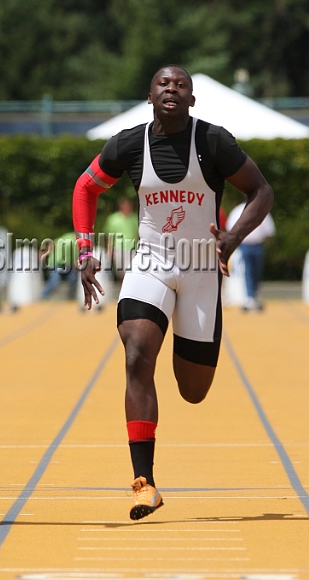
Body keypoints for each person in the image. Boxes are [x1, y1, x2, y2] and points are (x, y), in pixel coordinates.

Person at [72, 65, 273, 521]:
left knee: (193, 390)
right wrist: (85, 250)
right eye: (163, 83)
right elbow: (85, 188)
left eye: (181, 85)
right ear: (149, 96)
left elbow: (261, 192)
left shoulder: (213, 142)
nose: (171, 89)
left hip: (202, 268)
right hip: (151, 262)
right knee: (137, 349)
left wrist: (232, 238)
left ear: (192, 100)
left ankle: (189, 371)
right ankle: (145, 483)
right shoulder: (129, 143)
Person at [226, 200, 275, 311]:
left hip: (257, 245)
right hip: (244, 245)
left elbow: (269, 230)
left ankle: (253, 296)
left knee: (256, 272)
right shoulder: (239, 210)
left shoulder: (261, 210)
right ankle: (249, 297)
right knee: (248, 271)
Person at [102, 198, 139, 282]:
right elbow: (109, 236)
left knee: (131, 271)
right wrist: (109, 249)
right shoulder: (113, 219)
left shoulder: (135, 218)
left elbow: (138, 234)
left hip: (132, 248)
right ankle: (122, 291)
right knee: (121, 272)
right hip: (119, 248)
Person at [41, 231, 78, 300]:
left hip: (66, 264)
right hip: (55, 263)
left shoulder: (69, 237)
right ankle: (42, 297)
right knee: (55, 281)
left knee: (73, 279)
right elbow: (53, 244)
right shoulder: (71, 238)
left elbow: (52, 243)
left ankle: (70, 298)